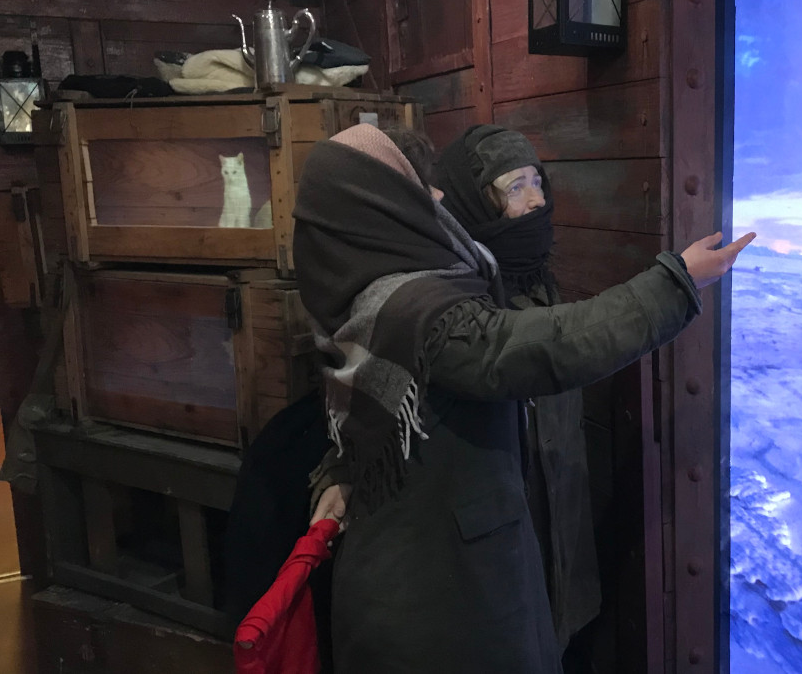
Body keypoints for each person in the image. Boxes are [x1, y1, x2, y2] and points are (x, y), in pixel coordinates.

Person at [295, 123, 753, 672]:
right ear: (381, 206)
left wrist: (341, 473)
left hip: (409, 589)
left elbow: (369, 420)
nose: (437, 195)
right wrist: (676, 282)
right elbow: (536, 349)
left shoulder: (366, 295)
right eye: (416, 188)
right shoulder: (418, 310)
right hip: (440, 609)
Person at [433, 124, 599, 660]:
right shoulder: (459, 299)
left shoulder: (542, 285)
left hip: (561, 533)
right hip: (496, 554)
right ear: (473, 202)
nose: (535, 202)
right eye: (514, 188)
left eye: (536, 182)